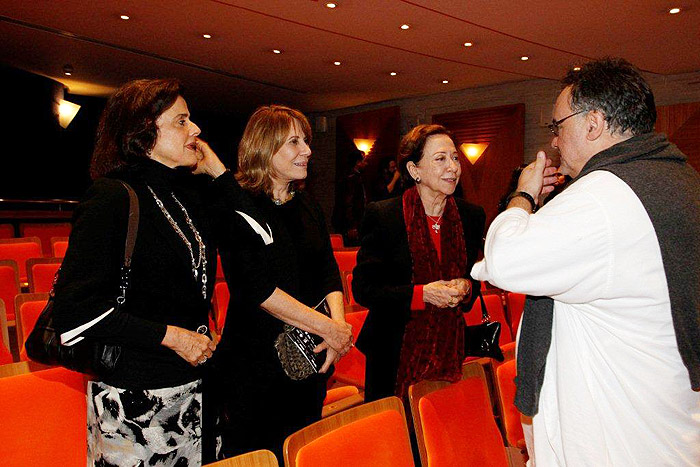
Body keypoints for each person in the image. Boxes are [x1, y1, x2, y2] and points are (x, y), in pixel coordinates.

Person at [471, 58, 700, 465]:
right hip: (668, 418)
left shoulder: (604, 195)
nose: (555, 142)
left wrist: (522, 196)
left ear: (592, 124)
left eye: (558, 126)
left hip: (617, 436)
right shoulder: (680, 180)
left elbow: (503, 261)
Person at [52, 79, 219, 466]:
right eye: (181, 121)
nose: (195, 130)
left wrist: (218, 171)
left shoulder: (186, 195)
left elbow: (253, 233)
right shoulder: (111, 196)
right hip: (134, 403)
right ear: (144, 134)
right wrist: (171, 337)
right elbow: (76, 312)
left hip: (193, 393)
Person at [213, 105, 351, 460]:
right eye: (294, 141)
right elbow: (256, 288)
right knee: (259, 454)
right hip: (256, 367)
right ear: (264, 147)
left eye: (305, 140)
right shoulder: (240, 208)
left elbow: (327, 270)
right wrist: (328, 328)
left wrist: (336, 326)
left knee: (302, 451)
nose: (307, 149)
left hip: (308, 361)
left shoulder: (308, 205)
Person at [353, 124, 486, 401]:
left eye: (454, 158)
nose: (452, 167)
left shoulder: (471, 216)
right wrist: (422, 294)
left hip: (449, 349)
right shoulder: (384, 215)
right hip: (392, 350)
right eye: (440, 159)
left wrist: (466, 287)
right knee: (398, 438)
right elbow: (364, 290)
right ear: (414, 171)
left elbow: (473, 282)